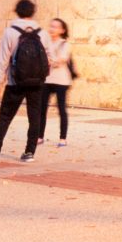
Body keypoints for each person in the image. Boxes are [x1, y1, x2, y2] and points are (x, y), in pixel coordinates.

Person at [0, 0, 53, 163]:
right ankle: (29, 152)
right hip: (37, 83)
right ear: (33, 12)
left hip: (15, 83)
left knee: (5, 117)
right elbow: (50, 58)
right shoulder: (42, 33)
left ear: (17, 11)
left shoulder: (10, 32)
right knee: (34, 117)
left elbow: (3, 60)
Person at [44, 15, 77, 146]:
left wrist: (50, 61)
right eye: (51, 26)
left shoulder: (65, 44)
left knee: (61, 109)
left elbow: (60, 60)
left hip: (62, 81)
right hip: (46, 80)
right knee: (42, 109)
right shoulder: (45, 42)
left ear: (62, 30)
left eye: (55, 27)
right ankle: (39, 136)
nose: (52, 29)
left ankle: (62, 138)